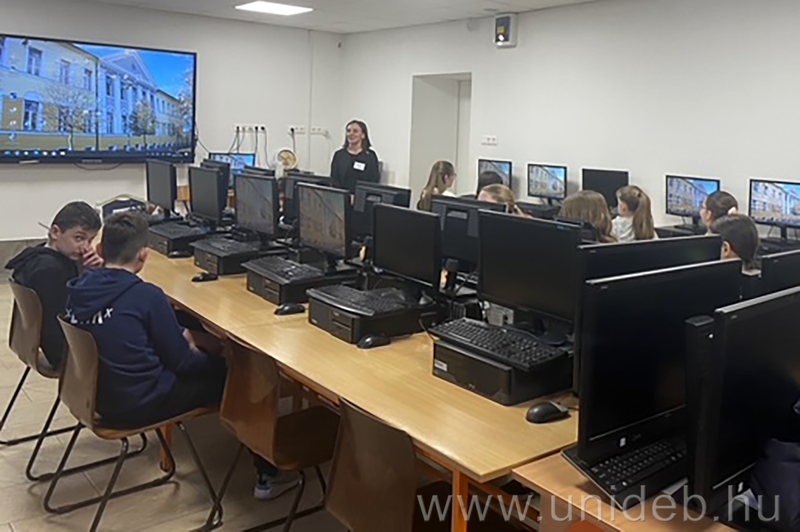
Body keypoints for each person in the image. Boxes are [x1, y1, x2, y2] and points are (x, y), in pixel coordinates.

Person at [65, 212, 295, 500]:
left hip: (95, 395)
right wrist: (225, 360)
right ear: (144, 254)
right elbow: (184, 365)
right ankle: (269, 476)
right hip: (137, 403)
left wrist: (191, 338)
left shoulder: (80, 288)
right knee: (244, 376)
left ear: (100, 249)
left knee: (187, 330)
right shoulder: (146, 296)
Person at [5, 201, 102, 369]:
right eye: (79, 238)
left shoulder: (36, 258)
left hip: (37, 345)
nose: (85, 247)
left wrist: (85, 270)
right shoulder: (52, 271)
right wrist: (98, 275)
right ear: (55, 232)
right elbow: (60, 324)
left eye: (90, 240)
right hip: (66, 354)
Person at [330, 120, 380, 194]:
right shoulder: (339, 155)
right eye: (348, 131)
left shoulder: (370, 156)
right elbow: (334, 179)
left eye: (355, 131)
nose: (351, 134)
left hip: (362, 197)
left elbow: (373, 181)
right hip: (341, 196)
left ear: (363, 135)